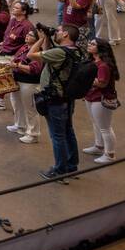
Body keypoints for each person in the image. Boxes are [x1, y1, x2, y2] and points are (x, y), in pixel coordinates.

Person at [30, 24, 82, 181]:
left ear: (65, 34)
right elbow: (49, 55)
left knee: (57, 136)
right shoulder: (77, 51)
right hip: (67, 97)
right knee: (68, 132)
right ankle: (72, 166)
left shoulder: (59, 52)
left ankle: (59, 170)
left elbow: (31, 54)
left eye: (58, 31)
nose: (56, 33)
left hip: (54, 99)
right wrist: (46, 37)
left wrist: (39, 40)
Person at [82, 38, 119, 164]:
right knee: (96, 123)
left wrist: (86, 76)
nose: (89, 45)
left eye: (93, 44)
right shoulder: (93, 61)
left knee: (105, 127)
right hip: (91, 97)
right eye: (90, 43)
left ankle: (110, 154)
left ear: (100, 48)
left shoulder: (103, 66)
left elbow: (102, 84)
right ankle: (99, 146)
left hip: (100, 99)